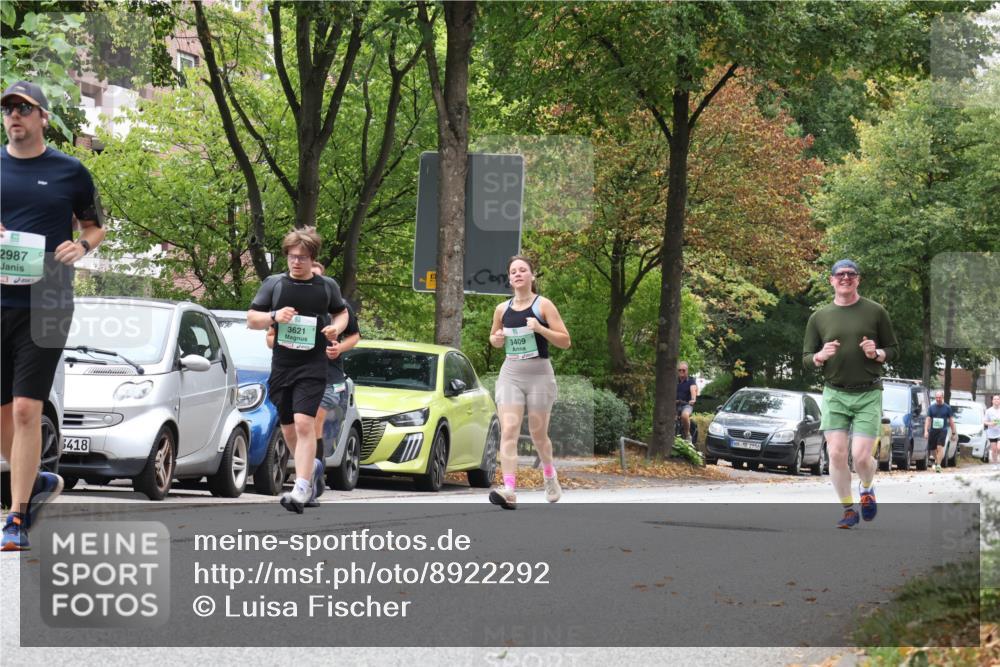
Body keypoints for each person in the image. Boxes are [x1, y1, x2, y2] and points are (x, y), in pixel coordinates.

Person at [1, 81, 106, 551]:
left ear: (44, 117)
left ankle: (16, 517)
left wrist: (81, 245)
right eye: (8, 109)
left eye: (24, 108)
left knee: (27, 409)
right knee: (2, 413)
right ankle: (37, 481)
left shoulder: (71, 171)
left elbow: (95, 225)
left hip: (48, 303)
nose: (14, 116)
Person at [248, 228, 348, 513]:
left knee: (305, 424)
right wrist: (273, 316)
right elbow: (252, 319)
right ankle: (310, 468)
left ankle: (301, 487)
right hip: (282, 365)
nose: (296, 262)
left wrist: (335, 328)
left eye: (302, 258)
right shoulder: (274, 284)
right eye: (292, 257)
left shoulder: (326, 286)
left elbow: (341, 313)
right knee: (288, 428)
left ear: (312, 258)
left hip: (313, 365)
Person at [802, 259, 898, 529]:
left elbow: (893, 348)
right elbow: (806, 358)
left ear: (858, 280)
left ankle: (867, 488)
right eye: (840, 274)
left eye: (851, 274)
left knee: (861, 456)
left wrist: (877, 353)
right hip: (834, 393)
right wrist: (819, 356)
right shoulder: (819, 317)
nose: (845, 278)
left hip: (868, 393)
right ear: (831, 280)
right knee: (835, 453)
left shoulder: (876, 312)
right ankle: (847, 509)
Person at [266, 261, 360, 505]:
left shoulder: (336, 304)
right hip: (293, 373)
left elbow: (354, 335)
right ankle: (312, 472)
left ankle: (306, 482)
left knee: (309, 422)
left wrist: (338, 347)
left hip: (328, 376)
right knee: (296, 428)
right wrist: (279, 339)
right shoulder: (289, 303)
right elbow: (269, 336)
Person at [488, 256, 571, 510]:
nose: (518, 274)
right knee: (509, 430)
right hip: (511, 373)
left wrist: (540, 329)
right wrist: (497, 339)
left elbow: (565, 341)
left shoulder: (543, 305)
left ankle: (549, 475)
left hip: (539, 374)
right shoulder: (502, 309)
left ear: (532, 276)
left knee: (538, 434)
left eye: (523, 270)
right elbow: (493, 336)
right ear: (509, 278)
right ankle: (510, 489)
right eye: (513, 271)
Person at [924, 391, 957, 473]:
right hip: (933, 430)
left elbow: (951, 421)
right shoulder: (931, 407)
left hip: (942, 430)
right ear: (935, 398)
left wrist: (953, 433)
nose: (938, 399)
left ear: (942, 397)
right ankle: (937, 460)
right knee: (932, 450)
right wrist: (926, 431)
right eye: (937, 398)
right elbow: (928, 419)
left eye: (940, 397)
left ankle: (938, 465)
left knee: (940, 447)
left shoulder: (947, 408)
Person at [676, 361, 698, 442]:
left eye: (683, 370)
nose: (681, 372)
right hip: (675, 404)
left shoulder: (691, 381)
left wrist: (693, 399)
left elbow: (693, 390)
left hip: (686, 405)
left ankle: (687, 435)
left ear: (687, 371)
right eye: (680, 370)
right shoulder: (674, 381)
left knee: (685, 415)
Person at [984, 395, 1000, 465]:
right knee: (994, 449)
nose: (996, 400)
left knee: (999, 448)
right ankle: (995, 464)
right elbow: (984, 421)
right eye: (995, 399)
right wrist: (990, 423)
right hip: (992, 433)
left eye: (998, 399)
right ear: (992, 401)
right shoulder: (988, 411)